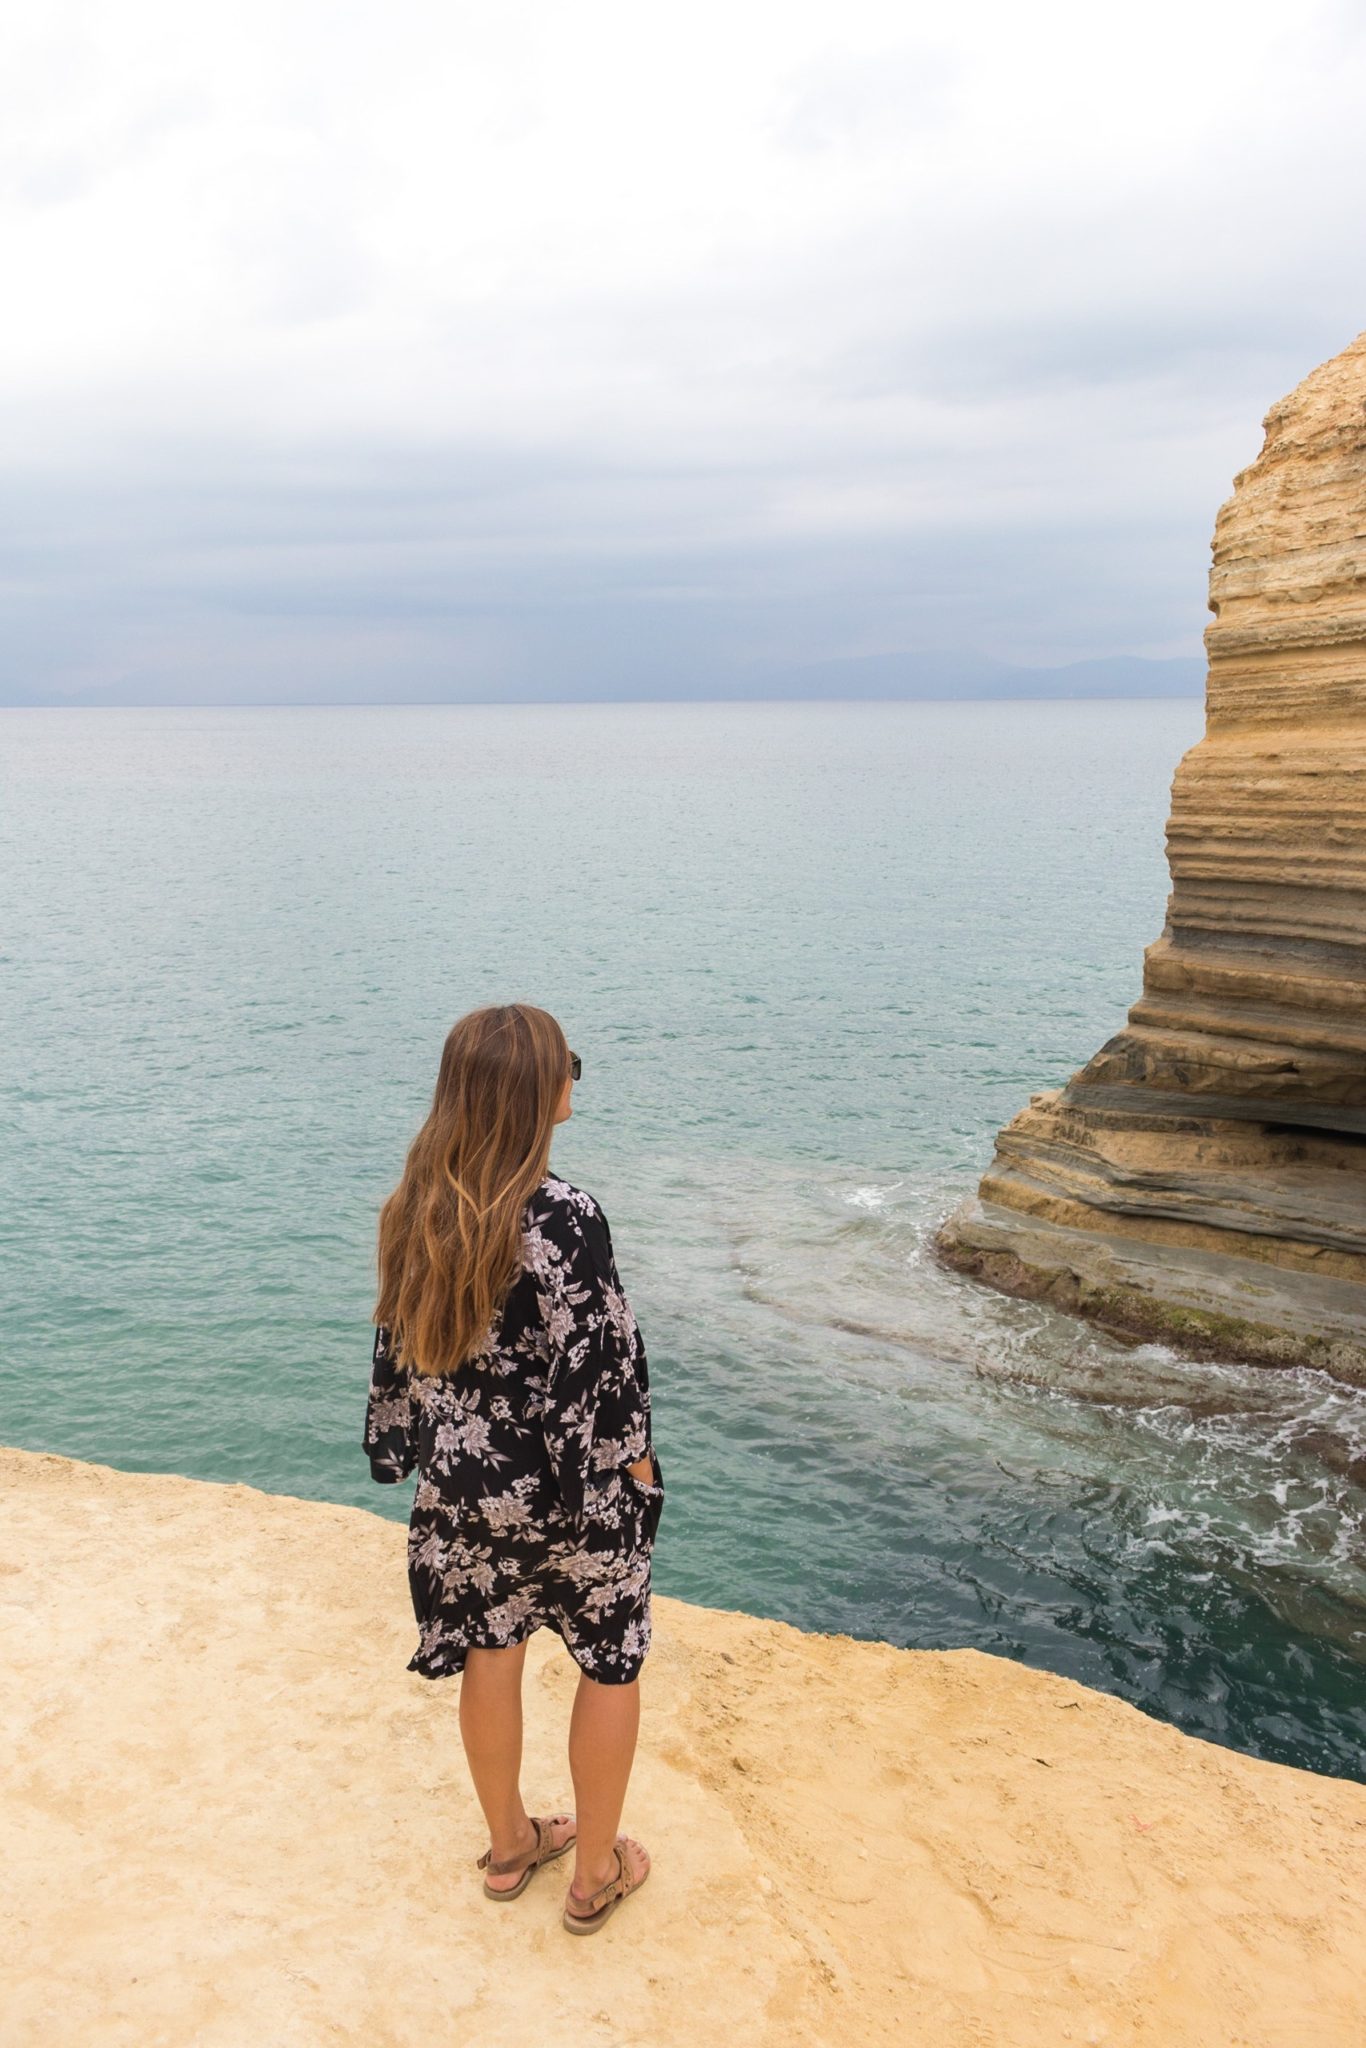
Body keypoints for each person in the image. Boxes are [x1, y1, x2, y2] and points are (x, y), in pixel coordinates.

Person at [362, 1002, 664, 1935]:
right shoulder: (566, 1216)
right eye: (570, 1062)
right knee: (610, 1664)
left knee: (493, 1652)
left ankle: (508, 1848)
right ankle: (596, 1872)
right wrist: (638, 1472)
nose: (577, 1075)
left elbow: (395, 1350)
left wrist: (399, 1446)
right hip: (570, 1493)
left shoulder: (416, 1204)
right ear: (538, 1091)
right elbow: (600, 1371)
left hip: (461, 1492)